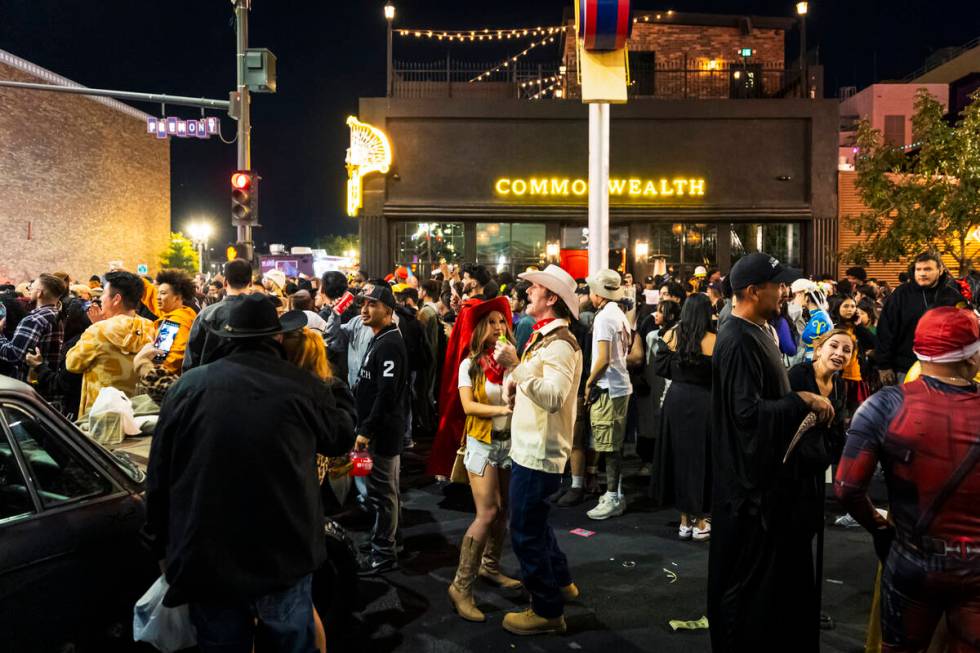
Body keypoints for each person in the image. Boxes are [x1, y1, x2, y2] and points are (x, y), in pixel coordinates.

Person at [144, 294, 355, 653]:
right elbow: (340, 438)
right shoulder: (304, 385)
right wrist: (338, 390)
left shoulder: (187, 387)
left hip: (208, 553)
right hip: (284, 550)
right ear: (275, 337)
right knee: (290, 641)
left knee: (221, 643)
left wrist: (158, 542)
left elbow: (159, 473)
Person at [707, 252, 835, 652]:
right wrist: (801, 401)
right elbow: (746, 414)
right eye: (777, 286)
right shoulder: (738, 338)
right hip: (748, 495)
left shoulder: (759, 330)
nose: (784, 293)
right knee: (743, 593)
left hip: (766, 487)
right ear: (751, 290)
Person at [835, 307, 980, 653]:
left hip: (912, 556)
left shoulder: (885, 405)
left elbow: (847, 488)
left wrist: (880, 527)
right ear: (971, 356)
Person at [491, 264, 583, 636]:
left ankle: (547, 610)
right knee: (535, 525)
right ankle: (560, 583)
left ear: (551, 299)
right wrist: (518, 380)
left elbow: (555, 397)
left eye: (535, 289)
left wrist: (516, 367)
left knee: (525, 532)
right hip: (532, 447)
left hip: (539, 451)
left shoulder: (560, 342)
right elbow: (541, 387)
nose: (528, 292)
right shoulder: (549, 338)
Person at [447, 296, 524, 622]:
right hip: (481, 443)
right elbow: (468, 407)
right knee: (487, 512)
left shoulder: (512, 361)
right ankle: (460, 586)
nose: (498, 327)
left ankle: (490, 567)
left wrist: (517, 364)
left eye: (501, 321)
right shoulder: (470, 364)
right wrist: (504, 409)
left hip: (509, 444)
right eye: (491, 322)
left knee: (504, 509)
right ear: (480, 327)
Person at [352, 285, 409, 576]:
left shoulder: (388, 343)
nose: (364, 309)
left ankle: (384, 552)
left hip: (382, 433)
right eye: (363, 303)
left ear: (388, 310)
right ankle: (387, 541)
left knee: (383, 493)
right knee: (385, 492)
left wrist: (367, 430)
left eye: (372, 304)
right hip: (378, 429)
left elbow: (386, 394)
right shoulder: (381, 338)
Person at [653, 293, 714, 540]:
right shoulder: (716, 340)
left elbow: (659, 368)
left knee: (677, 458)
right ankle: (701, 521)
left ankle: (684, 521)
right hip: (705, 403)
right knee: (702, 459)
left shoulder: (670, 336)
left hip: (676, 400)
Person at [64, 271, 155, 417]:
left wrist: (96, 327)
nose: (101, 300)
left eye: (103, 295)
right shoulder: (149, 326)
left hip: (102, 416)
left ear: (116, 299)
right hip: (137, 412)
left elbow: (72, 364)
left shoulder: (98, 330)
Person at [581, 270, 633, 521]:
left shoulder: (604, 318)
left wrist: (589, 384)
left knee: (609, 446)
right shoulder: (619, 314)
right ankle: (615, 493)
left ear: (598, 293)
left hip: (609, 388)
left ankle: (613, 496)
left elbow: (601, 359)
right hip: (620, 386)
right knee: (613, 444)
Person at [876, 252, 965, 386]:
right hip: (904, 369)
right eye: (919, 269)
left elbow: (964, 331)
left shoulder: (952, 296)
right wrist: (884, 365)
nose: (922, 273)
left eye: (928, 269)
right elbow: (885, 329)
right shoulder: (901, 294)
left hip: (943, 370)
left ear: (940, 270)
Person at [183, 258, 252, 371]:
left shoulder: (207, 314)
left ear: (225, 283)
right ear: (251, 283)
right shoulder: (263, 313)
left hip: (210, 381)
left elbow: (191, 358)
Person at [0, 274, 66, 382]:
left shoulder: (34, 319)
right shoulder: (56, 314)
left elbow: (13, 355)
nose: (29, 290)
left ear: (39, 293)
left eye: (31, 287)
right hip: (46, 380)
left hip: (29, 385)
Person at [154, 269, 198, 374]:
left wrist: (152, 373)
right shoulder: (184, 313)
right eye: (158, 293)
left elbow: (167, 360)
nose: (157, 297)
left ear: (177, 298)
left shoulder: (173, 322)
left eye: (163, 293)